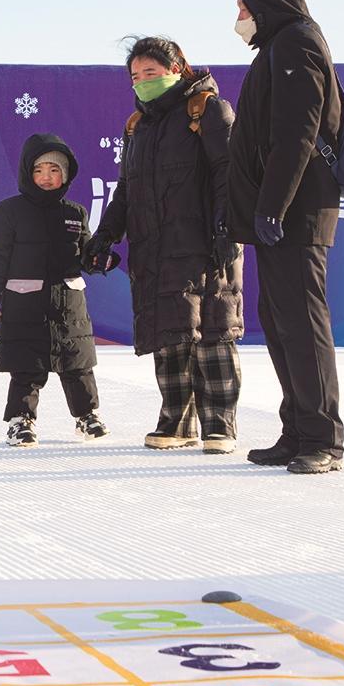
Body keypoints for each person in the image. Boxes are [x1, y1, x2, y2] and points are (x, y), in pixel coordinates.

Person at [84, 36, 244, 454]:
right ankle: (177, 421)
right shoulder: (138, 125)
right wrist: (105, 234)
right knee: (170, 332)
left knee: (212, 331)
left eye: (150, 72)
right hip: (155, 247)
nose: (142, 81)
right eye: (135, 76)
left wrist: (227, 228)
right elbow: (127, 190)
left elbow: (229, 172)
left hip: (205, 243)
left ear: (176, 69)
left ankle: (219, 424)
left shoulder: (208, 109)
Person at [227, 0, 344, 474]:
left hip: (296, 211)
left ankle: (323, 438)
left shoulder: (297, 41)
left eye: (243, 5)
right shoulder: (278, 46)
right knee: (281, 324)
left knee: (302, 322)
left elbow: (298, 133)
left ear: (267, 2)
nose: (239, 15)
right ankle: (297, 430)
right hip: (279, 212)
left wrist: (272, 207)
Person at [0, 134, 106, 447]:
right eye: (39, 170)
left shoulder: (75, 213)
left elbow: (86, 255)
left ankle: (87, 416)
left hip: (68, 304)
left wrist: (99, 258)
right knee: (26, 365)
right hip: (25, 304)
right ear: (27, 172)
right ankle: (20, 420)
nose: (46, 177)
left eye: (54, 170)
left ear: (66, 174)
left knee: (77, 363)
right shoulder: (9, 211)